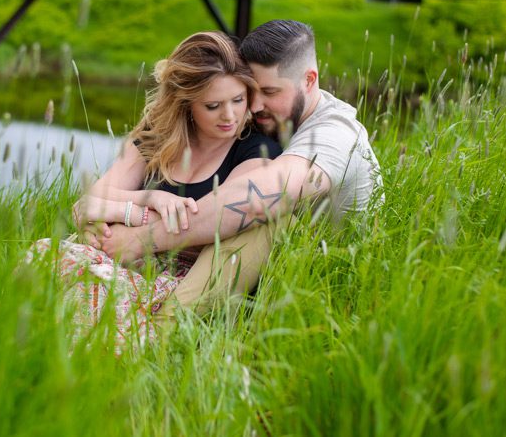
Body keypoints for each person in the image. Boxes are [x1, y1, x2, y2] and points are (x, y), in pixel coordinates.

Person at [99, 19, 383, 320]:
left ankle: (165, 328)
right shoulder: (268, 118)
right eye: (251, 91)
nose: (255, 105)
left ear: (309, 80)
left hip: (328, 279)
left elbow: (256, 197)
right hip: (262, 273)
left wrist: (142, 237)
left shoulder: (335, 135)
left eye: (270, 92)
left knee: (267, 215)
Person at [27, 31, 281, 350]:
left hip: (181, 280)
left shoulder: (255, 151)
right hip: (121, 257)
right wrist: (149, 201)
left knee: (93, 289)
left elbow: (222, 220)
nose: (229, 116)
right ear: (186, 103)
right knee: (40, 256)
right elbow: (87, 204)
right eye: (213, 105)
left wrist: (128, 224)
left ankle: (93, 372)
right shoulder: (156, 136)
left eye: (238, 100)